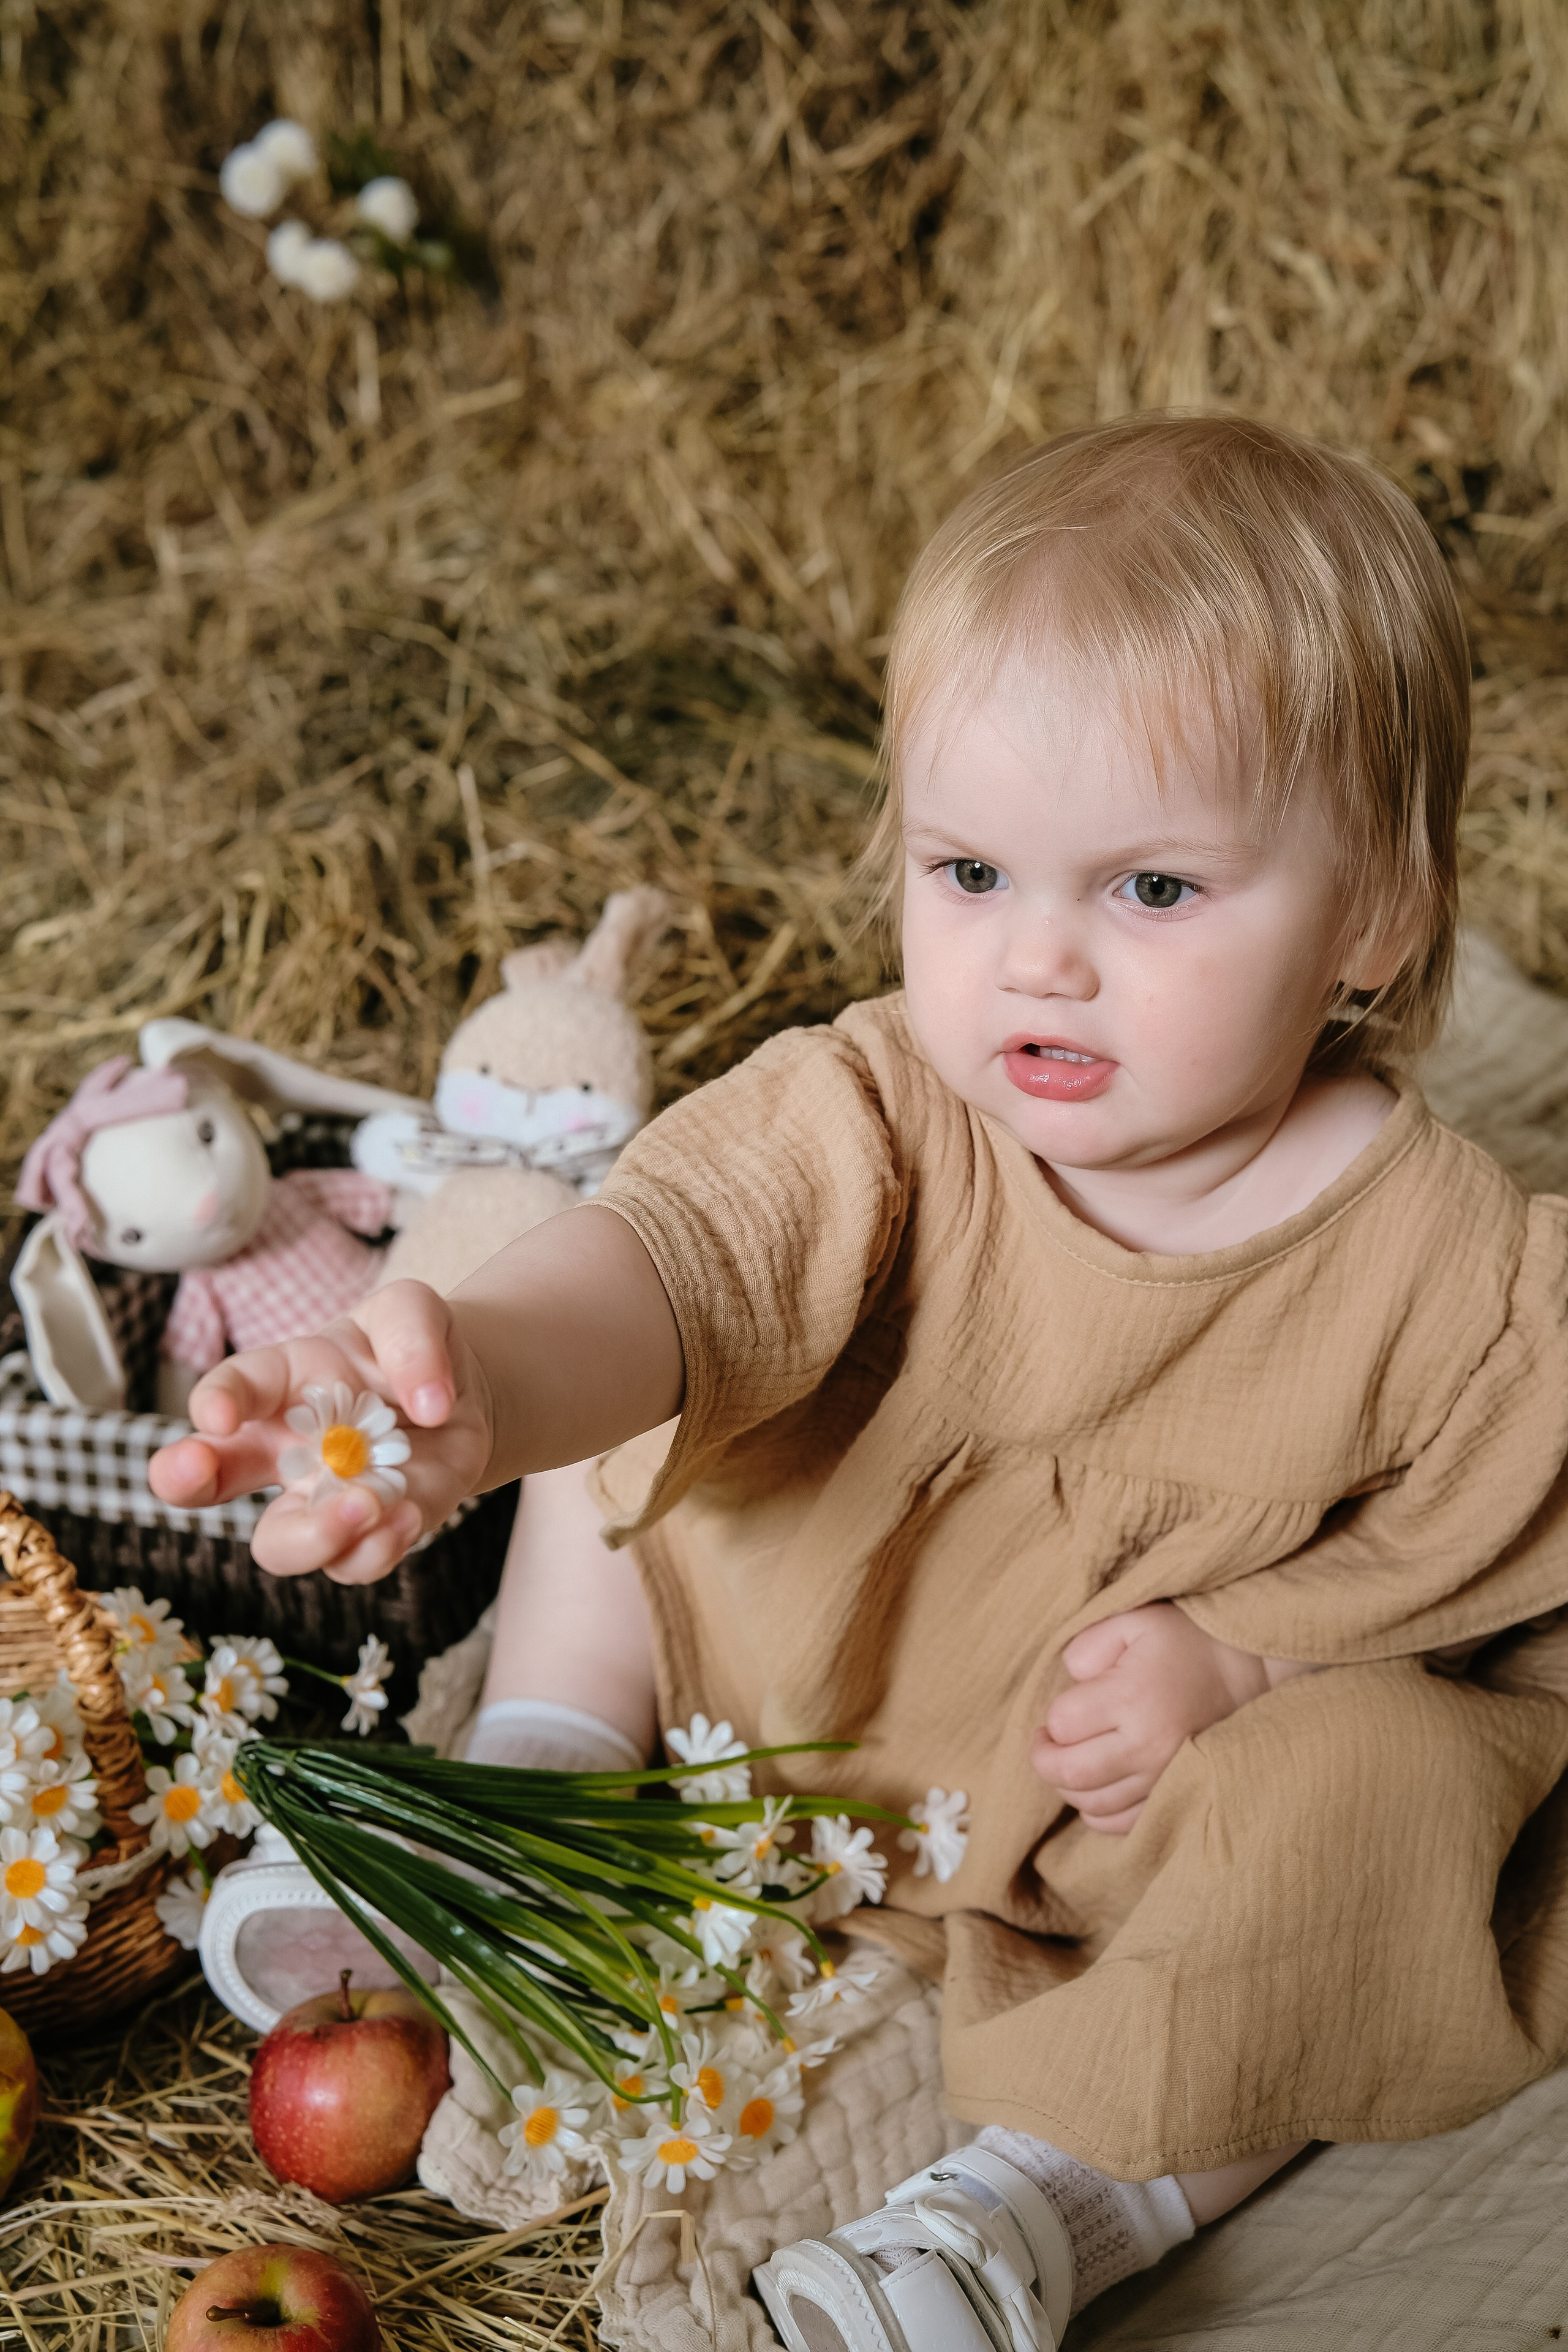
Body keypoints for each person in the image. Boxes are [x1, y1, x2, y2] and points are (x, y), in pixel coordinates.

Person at [151, 415, 1568, 2352]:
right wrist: (477, 1376)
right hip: (759, 1675)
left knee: (1374, 1814)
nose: (1039, 961)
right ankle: (537, 1792)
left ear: (1380, 913)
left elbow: (1487, 1557)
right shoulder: (886, 1109)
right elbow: (681, 1255)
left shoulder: (1457, 1280)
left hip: (1089, 1814)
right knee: (653, 1405)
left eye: (1154, 892)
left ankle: (1033, 2210)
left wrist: (1253, 1664)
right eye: (971, 869)